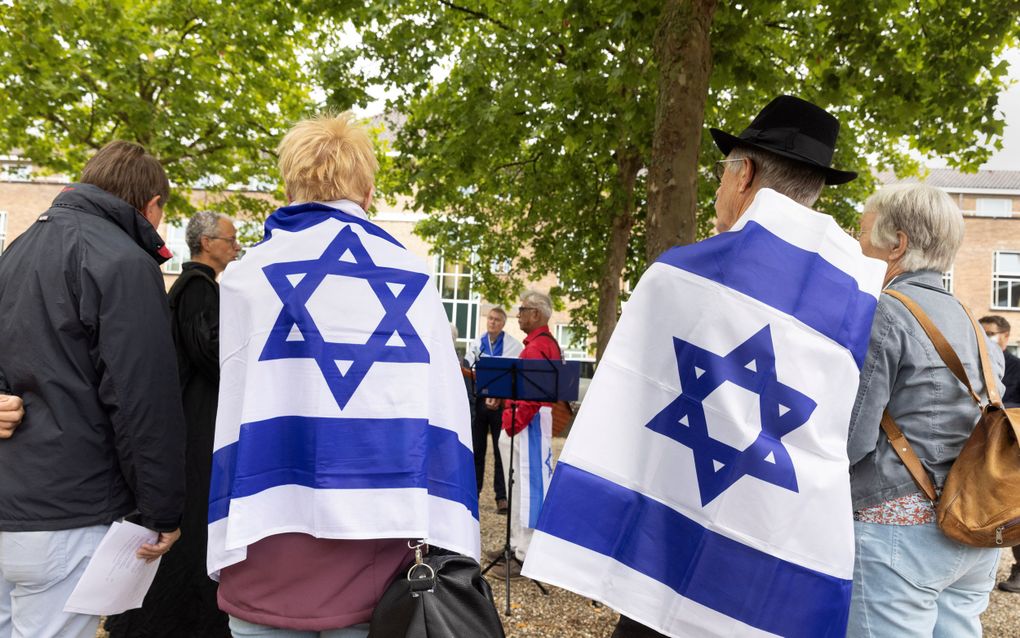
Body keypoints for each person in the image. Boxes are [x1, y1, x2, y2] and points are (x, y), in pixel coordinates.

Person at [207, 113, 479, 637]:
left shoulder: (245, 279)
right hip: (373, 567)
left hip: (265, 552)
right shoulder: (416, 277)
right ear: (369, 192)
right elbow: (442, 411)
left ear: (289, 187)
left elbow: (238, 407)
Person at [0, 141, 186, 638]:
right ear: (151, 206)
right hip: (69, 514)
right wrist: (163, 510)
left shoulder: (15, 251)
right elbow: (141, 400)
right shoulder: (124, 262)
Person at [847, 183, 1004, 637]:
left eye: (862, 234)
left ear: (896, 243)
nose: (857, 246)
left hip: (896, 532)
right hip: (974, 528)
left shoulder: (884, 313)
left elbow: (852, 439)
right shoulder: (974, 322)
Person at [105, 211, 239, 637]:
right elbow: (214, 353)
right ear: (207, 243)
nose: (236, 248)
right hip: (197, 430)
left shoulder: (193, 289)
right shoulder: (198, 289)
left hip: (192, 425)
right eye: (230, 240)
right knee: (196, 527)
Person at [491, 290, 560, 579]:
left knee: (528, 488)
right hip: (528, 421)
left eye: (522, 309)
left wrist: (513, 422)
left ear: (536, 314)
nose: (518, 314)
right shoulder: (539, 344)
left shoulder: (538, 347)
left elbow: (532, 394)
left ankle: (524, 555)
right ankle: (516, 545)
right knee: (520, 486)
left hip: (528, 423)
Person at [464, 307, 523, 514]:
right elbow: (469, 369)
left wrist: (499, 395)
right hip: (480, 403)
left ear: (503, 324)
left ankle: (501, 497)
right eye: (490, 318)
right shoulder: (477, 344)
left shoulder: (513, 346)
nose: (492, 322)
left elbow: (515, 373)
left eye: (497, 320)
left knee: (501, 450)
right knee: (477, 450)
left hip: (500, 405)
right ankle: (474, 493)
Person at [977, 315, 1020, 593]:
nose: (986, 336)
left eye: (990, 333)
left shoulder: (1017, 367)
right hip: (982, 444)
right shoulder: (977, 360)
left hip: (1011, 445)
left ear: (1005, 336)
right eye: (981, 332)